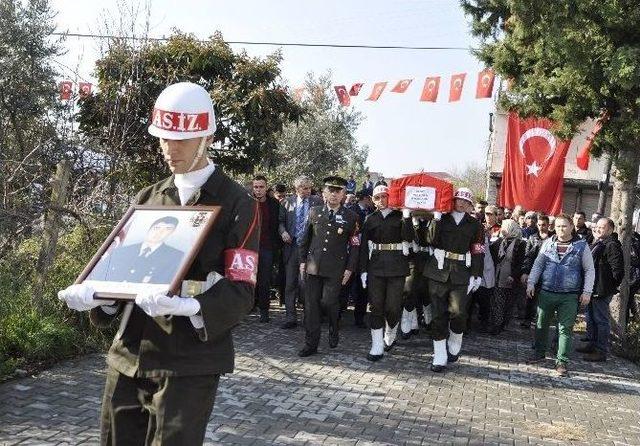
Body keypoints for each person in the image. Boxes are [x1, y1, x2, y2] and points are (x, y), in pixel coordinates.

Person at [58, 82, 259, 444]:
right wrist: (102, 299)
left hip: (189, 361)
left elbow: (242, 289)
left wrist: (191, 305)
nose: (169, 149)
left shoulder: (238, 203)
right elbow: (126, 269)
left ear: (208, 138)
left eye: (180, 140)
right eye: (164, 138)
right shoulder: (149, 197)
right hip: (130, 353)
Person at [297, 176, 360, 356]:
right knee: (311, 306)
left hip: (336, 268)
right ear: (324, 193)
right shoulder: (314, 212)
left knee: (328, 302)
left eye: (338, 191)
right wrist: (302, 261)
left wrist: (350, 268)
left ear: (343, 194)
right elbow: (304, 239)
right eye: (330, 190)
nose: (333, 194)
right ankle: (311, 344)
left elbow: (355, 245)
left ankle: (334, 327)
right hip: (313, 267)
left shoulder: (351, 216)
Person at [423, 187, 484, 372]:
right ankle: (439, 354)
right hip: (438, 270)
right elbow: (430, 240)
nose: (461, 203)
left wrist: (476, 274)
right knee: (438, 313)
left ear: (470, 205)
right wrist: (436, 218)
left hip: (461, 272)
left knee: (458, 312)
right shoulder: (442, 218)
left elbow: (478, 250)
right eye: (458, 199)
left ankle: (456, 337)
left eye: (466, 201)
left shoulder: (475, 225)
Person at [526, 213, 594, 377]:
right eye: (557, 226)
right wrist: (531, 282)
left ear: (571, 226)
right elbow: (538, 264)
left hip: (569, 296)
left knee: (565, 329)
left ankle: (561, 361)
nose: (560, 229)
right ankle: (539, 354)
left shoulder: (582, 246)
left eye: (564, 226)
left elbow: (589, 270)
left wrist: (587, 291)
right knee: (541, 325)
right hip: (547, 292)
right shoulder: (548, 244)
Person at [360, 185, 415, 361]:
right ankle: (376, 346)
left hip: (397, 266)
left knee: (392, 307)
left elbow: (409, 237)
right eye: (377, 198)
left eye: (384, 197)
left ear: (390, 198)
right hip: (376, 265)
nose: (381, 200)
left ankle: (391, 330)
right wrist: (362, 270)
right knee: (376, 306)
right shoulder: (370, 219)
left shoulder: (400, 216)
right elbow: (363, 247)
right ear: (373, 200)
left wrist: (406, 216)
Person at [576, 218, 623, 361]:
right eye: (597, 227)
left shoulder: (612, 245)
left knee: (601, 320)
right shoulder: (598, 242)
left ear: (610, 230)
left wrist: (608, 286)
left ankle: (601, 350)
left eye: (602, 227)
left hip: (601, 289)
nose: (598, 229)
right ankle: (592, 343)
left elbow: (618, 270)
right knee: (590, 317)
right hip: (592, 287)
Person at [278, 175, 323, 328]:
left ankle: (308, 316)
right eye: (305, 188)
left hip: (310, 249)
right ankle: (291, 317)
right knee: (290, 283)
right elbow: (281, 222)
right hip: (292, 248)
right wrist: (283, 232)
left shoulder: (317, 201)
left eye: (310, 187)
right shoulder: (287, 202)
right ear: (297, 189)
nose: (308, 191)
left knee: (306, 284)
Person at [89, 216, 184, 284]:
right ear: (149, 229)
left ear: (172, 233)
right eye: (157, 228)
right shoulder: (123, 251)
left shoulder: (177, 256)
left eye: (167, 229)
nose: (160, 232)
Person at [488, 219, 526, 335]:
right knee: (497, 301)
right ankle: (497, 324)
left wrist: (514, 275)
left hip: (511, 278)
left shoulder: (521, 244)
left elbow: (521, 262)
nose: (502, 230)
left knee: (509, 303)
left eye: (505, 227)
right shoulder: (499, 241)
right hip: (498, 276)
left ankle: (503, 323)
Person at [252, 175, 281, 323]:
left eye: (261, 187)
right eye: (256, 187)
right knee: (248, 280)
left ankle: (264, 310)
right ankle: (248, 307)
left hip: (267, 247)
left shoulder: (274, 204)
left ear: (266, 187)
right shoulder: (247, 202)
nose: (258, 190)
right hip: (249, 248)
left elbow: (277, 225)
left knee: (264, 280)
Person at [400, 210, 433, 339]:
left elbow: (430, 240)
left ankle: (426, 319)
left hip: (430, 258)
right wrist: (410, 218)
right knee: (409, 290)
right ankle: (408, 322)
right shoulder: (407, 218)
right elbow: (407, 236)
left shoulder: (434, 219)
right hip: (412, 257)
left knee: (426, 291)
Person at [520, 214, 552, 328]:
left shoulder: (553, 239)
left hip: (548, 273)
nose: (541, 227)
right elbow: (527, 256)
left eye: (544, 225)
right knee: (530, 296)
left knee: (544, 298)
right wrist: (525, 272)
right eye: (539, 225)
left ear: (548, 225)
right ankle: (527, 319)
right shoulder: (533, 237)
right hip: (534, 271)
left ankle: (541, 320)